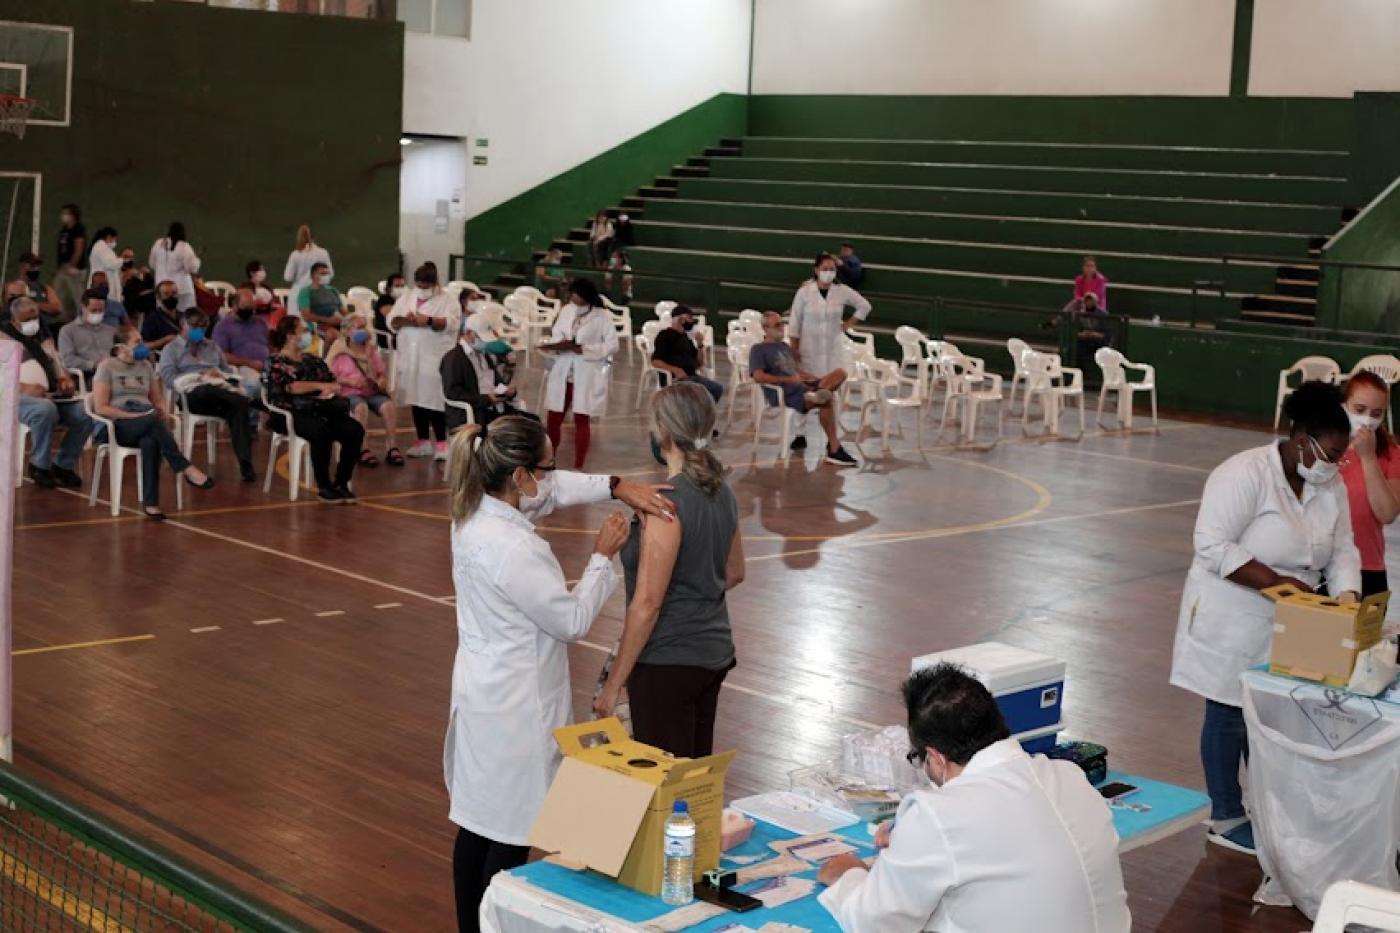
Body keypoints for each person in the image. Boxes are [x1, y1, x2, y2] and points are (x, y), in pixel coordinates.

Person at [442, 415, 677, 933]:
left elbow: (555, 492)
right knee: (508, 832)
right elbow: (570, 621)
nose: (552, 479)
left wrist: (614, 485)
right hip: (516, 707)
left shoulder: (472, 510)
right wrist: (601, 559)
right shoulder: (516, 548)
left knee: (477, 825)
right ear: (521, 475)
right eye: (546, 468)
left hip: (482, 693)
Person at [1170, 380, 1360, 857]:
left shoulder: (1328, 483)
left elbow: (1342, 551)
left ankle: (1271, 807)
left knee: (1274, 712)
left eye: (1342, 457)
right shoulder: (1244, 473)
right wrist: (1281, 585)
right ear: (1301, 439)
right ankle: (1226, 814)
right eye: (1329, 454)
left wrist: (1348, 597)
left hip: (1292, 614)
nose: (1335, 466)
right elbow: (1211, 544)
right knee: (1228, 710)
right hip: (1231, 607)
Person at [816, 664, 1131, 933]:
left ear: (936, 757)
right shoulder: (1069, 776)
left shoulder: (938, 814)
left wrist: (848, 875)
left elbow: (875, 923)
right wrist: (911, 836)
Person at [593, 383, 744, 756]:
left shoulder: (665, 505)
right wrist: (695, 584)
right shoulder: (721, 490)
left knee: (664, 787)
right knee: (692, 779)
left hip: (667, 661)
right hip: (713, 653)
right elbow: (735, 571)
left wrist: (615, 683)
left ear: (663, 433)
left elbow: (647, 604)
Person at [93, 327, 215, 519]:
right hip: (118, 423)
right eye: (137, 342)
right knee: (151, 423)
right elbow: (101, 408)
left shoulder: (146, 366)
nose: (143, 347)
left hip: (145, 419)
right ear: (121, 348)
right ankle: (185, 467)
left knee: (150, 441)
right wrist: (133, 417)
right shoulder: (107, 367)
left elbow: (157, 398)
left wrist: (162, 410)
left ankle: (151, 504)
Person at [266, 316, 364, 503]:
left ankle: (341, 483)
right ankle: (324, 486)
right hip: (290, 412)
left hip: (321, 408)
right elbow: (291, 387)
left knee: (354, 430)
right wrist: (319, 386)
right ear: (290, 336)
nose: (309, 335)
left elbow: (333, 383)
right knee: (320, 432)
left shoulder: (313, 360)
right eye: (304, 331)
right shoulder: (276, 362)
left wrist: (329, 389)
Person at [157, 309, 257, 482]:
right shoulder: (171, 349)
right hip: (193, 394)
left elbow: (228, 371)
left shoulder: (212, 346)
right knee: (217, 393)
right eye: (195, 327)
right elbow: (168, 379)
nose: (199, 332)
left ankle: (246, 464)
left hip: (220, 394)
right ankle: (251, 401)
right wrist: (200, 377)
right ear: (183, 325)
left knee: (238, 408)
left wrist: (219, 375)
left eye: (203, 328)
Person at [3, 297, 93, 488]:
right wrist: (24, 387)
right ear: (14, 319)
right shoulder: (3, 340)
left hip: (52, 396)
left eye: (35, 316)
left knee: (85, 413)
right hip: (16, 397)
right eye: (27, 318)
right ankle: (39, 465)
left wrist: (65, 379)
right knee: (44, 409)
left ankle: (63, 465)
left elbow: (57, 363)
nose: (33, 322)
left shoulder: (43, 336)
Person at [749, 311, 858, 466]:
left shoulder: (784, 346)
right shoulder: (758, 349)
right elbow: (758, 377)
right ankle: (834, 448)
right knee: (826, 399)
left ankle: (816, 392)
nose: (782, 327)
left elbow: (793, 370)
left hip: (802, 385)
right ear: (765, 328)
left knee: (840, 373)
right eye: (777, 325)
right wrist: (789, 379)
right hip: (787, 392)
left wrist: (806, 376)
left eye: (782, 323)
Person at [541, 278, 618, 469]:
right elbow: (557, 333)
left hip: (586, 371)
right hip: (563, 368)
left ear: (585, 295)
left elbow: (612, 345)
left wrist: (585, 349)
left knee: (581, 418)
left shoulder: (602, 316)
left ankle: (579, 464)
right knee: (554, 416)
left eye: (575, 293)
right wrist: (559, 344)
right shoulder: (567, 310)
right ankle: (549, 459)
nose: (572, 296)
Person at [388, 262, 459, 461]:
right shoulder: (408, 296)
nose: (421, 289)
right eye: (418, 285)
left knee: (433, 401)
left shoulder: (448, 299)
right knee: (415, 398)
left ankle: (442, 443)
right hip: (410, 356)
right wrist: (403, 319)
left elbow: (452, 322)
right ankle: (422, 441)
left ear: (434, 283)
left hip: (433, 357)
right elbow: (392, 318)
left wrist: (428, 320)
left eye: (425, 286)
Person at [1339, 371, 1400, 597]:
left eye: (1376, 413)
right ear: (1344, 405)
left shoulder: (1392, 454)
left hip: (1368, 567)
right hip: (1319, 566)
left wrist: (1368, 458)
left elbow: (1387, 513)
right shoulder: (1325, 446)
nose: (1367, 419)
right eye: (1359, 410)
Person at [327, 311, 401, 467]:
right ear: (347, 331)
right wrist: (349, 381)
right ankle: (362, 448)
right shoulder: (339, 350)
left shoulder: (370, 350)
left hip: (370, 391)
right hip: (349, 393)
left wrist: (380, 380)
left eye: (364, 327)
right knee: (360, 407)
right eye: (358, 327)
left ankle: (392, 447)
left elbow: (381, 373)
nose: (363, 330)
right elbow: (329, 377)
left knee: (388, 406)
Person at [789, 252, 872, 393]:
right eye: (824, 269)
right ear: (816, 270)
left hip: (832, 349)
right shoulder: (805, 292)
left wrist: (847, 324)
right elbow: (795, 321)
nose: (828, 272)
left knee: (831, 389)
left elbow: (865, 306)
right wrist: (794, 348)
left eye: (832, 269)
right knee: (808, 389)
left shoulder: (842, 291)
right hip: (808, 348)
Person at [441, 312, 528, 431]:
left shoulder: (485, 355)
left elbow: (496, 381)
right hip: (475, 412)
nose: (485, 342)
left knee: (532, 426)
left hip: (494, 409)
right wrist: (486, 399)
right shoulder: (453, 359)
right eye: (481, 338)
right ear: (468, 333)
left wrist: (508, 391)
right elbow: (452, 392)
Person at [214, 287, 271, 420]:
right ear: (234, 305)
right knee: (254, 385)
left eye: (252, 307)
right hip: (241, 367)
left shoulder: (259, 322)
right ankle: (249, 423)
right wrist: (249, 363)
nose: (250, 311)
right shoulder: (223, 327)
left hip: (266, 365)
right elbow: (222, 355)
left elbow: (269, 345)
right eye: (246, 307)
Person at [651, 304, 723, 403]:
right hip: (675, 379)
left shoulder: (686, 338)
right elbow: (656, 361)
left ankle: (703, 414)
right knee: (699, 392)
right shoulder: (664, 336)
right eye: (688, 319)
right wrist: (675, 370)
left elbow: (700, 363)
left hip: (691, 377)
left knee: (716, 388)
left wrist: (700, 345)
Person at [58, 289, 117, 383]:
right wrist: (93, 365)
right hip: (89, 375)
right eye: (93, 310)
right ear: (83, 307)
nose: (97, 313)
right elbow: (68, 359)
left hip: (114, 372)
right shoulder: (68, 331)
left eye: (100, 310)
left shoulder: (111, 331)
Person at [149, 222, 201, 312]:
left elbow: (152, 264)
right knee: (185, 316)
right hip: (181, 289)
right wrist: (197, 261)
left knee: (164, 315)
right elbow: (192, 268)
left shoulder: (158, 243)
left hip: (162, 289)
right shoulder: (184, 246)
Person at [284, 224, 333, 314]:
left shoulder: (295, 255)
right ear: (314, 237)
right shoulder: (323, 253)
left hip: (297, 295)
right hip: (317, 295)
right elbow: (330, 275)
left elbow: (288, 277)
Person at [52, 204, 86, 324]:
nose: (64, 216)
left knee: (77, 295)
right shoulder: (64, 230)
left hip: (74, 269)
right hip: (63, 268)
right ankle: (62, 319)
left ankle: (82, 318)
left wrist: (72, 265)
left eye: (66, 213)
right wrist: (60, 267)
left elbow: (79, 248)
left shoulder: (78, 229)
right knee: (59, 292)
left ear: (73, 215)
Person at [295, 261, 344, 338]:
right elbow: (306, 315)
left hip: (339, 323)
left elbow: (343, 311)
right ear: (313, 276)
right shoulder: (306, 292)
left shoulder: (333, 290)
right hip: (317, 326)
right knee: (333, 334)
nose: (326, 276)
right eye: (322, 274)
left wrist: (350, 319)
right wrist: (328, 320)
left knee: (362, 334)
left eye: (327, 274)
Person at [17, 252, 63, 325]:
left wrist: (35, 304)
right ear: (22, 266)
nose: (35, 268)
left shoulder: (45, 288)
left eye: (37, 266)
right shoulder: (14, 287)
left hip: (48, 326)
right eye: (32, 266)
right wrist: (45, 306)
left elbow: (57, 307)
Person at [140, 281, 184, 352]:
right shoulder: (151, 319)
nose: (171, 297)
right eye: (166, 294)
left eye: (174, 293)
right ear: (158, 297)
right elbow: (144, 345)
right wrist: (165, 340)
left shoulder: (185, 316)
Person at [241, 260, 284, 325]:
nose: (263, 272)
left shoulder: (267, 288)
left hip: (269, 314)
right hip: (254, 316)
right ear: (252, 273)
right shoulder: (245, 287)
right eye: (261, 269)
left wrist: (274, 305)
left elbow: (274, 301)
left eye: (263, 269)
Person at [87, 227, 123, 297]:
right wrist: (122, 260)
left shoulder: (103, 247)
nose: (115, 242)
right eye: (114, 239)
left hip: (103, 282)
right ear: (109, 237)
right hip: (101, 283)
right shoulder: (101, 247)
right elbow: (110, 264)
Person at [374, 273, 405, 349]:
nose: (400, 289)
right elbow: (394, 318)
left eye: (402, 286)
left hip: (401, 334)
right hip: (387, 337)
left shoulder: (402, 300)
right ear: (389, 288)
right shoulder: (384, 299)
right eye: (397, 286)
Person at [121, 256, 156, 321]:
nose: (128, 259)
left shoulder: (137, 273)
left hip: (140, 302)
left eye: (131, 257)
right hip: (128, 302)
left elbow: (148, 285)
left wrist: (147, 274)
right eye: (126, 256)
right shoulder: (115, 273)